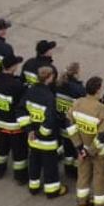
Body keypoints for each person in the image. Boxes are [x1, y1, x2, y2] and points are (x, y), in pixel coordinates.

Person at [70, 76, 104, 206]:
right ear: (98, 90)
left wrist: (80, 149)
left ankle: (83, 204)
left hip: (82, 149)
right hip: (98, 152)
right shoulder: (101, 109)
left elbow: (71, 126)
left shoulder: (77, 103)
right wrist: (90, 151)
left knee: (83, 176)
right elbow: (103, 135)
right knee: (100, 179)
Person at [24, 65, 70, 199]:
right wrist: (41, 133)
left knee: (34, 162)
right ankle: (52, 190)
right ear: (49, 78)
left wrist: (30, 130)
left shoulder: (30, 91)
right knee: (50, 166)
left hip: (32, 138)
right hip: (46, 140)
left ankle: (33, 186)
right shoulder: (49, 97)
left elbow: (21, 110)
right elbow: (49, 120)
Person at [0, 54, 29, 182]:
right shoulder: (16, 86)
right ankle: (20, 176)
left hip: (0, 123)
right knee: (19, 153)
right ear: (12, 67)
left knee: (0, 149)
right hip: (15, 126)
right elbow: (23, 104)